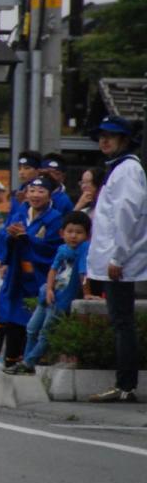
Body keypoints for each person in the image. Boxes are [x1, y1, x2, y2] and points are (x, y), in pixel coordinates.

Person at [85, 116, 146, 404]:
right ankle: (124, 383)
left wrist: (118, 256)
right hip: (115, 257)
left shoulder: (127, 170)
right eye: (102, 135)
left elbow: (127, 215)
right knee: (120, 321)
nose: (104, 140)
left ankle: (125, 385)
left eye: (111, 135)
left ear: (124, 139)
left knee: (123, 322)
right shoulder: (118, 169)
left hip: (120, 259)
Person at [0, 177, 63, 369]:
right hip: (16, 275)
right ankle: (10, 360)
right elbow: (2, 236)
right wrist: (10, 235)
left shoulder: (54, 218)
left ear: (49, 195)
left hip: (38, 277)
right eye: (32, 190)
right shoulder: (21, 212)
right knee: (12, 316)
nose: (35, 195)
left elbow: (51, 248)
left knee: (32, 320)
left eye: (41, 191)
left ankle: (30, 361)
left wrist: (27, 238)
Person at [8, 211, 90, 375]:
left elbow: (83, 273)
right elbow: (53, 270)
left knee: (46, 332)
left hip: (63, 299)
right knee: (32, 328)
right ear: (62, 233)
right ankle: (26, 361)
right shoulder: (62, 248)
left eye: (79, 232)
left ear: (87, 235)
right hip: (49, 294)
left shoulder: (84, 249)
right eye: (70, 232)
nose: (74, 236)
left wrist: (87, 293)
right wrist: (50, 289)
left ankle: (29, 362)